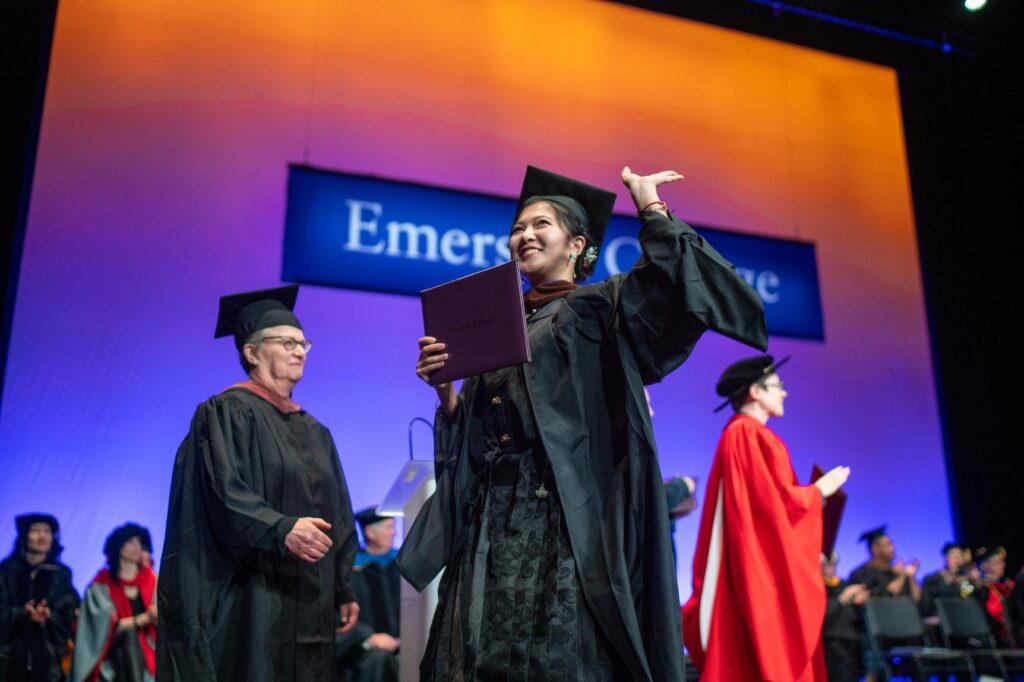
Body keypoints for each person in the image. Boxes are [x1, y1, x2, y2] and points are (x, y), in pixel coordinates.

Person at [401, 165, 768, 681]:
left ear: (576, 245)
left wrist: (651, 209)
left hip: (565, 520)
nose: (525, 235)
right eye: (518, 228)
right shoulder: (496, 329)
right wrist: (446, 392)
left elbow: (675, 289)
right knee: (480, 654)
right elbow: (478, 443)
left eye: (541, 224)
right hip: (491, 526)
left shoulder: (599, 307)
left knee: (559, 656)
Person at [157, 285, 359, 681]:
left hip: (311, 599)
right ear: (251, 353)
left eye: (303, 344)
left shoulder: (316, 431)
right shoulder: (227, 412)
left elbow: (339, 512)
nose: (300, 352)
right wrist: (280, 528)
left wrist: (343, 586)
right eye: (287, 343)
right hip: (251, 594)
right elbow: (221, 493)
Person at [681, 355, 850, 681]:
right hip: (754, 570)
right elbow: (772, 507)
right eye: (778, 386)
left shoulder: (738, 434)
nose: (784, 392)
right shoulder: (749, 434)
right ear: (755, 392)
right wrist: (818, 492)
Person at [71, 523, 158, 682]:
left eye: (138, 542)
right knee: (128, 638)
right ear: (118, 546)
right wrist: (144, 618)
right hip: (111, 654)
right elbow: (107, 626)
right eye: (130, 541)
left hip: (150, 647)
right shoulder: (100, 585)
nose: (136, 546)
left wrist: (153, 616)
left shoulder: (152, 580)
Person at [0, 513, 79, 682]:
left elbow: (69, 611)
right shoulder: (5, 571)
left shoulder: (61, 574)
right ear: (24, 536)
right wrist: (21, 612)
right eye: (36, 530)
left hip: (48, 658)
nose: (42, 536)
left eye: (47, 531)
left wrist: (49, 615)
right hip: (9, 656)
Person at [336, 507, 399, 682]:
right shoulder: (351, 569)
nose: (394, 533)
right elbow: (340, 612)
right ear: (370, 533)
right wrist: (368, 637)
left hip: (405, 643)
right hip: (364, 651)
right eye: (389, 527)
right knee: (378, 662)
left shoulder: (401, 564)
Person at [820, 552, 868, 682]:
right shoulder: (818, 587)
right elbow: (823, 618)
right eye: (826, 565)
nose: (830, 568)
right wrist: (842, 599)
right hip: (831, 642)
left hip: (853, 641)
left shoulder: (844, 585)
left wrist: (859, 602)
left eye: (832, 564)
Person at [848, 526, 921, 602]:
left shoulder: (895, 571)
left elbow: (917, 601)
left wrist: (911, 577)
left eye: (892, 543)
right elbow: (885, 597)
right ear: (875, 549)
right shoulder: (861, 574)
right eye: (888, 544)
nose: (893, 548)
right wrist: (901, 576)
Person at [919, 543, 978, 620]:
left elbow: (968, 598)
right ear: (946, 558)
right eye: (954, 557)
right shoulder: (932, 580)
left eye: (960, 557)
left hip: (963, 619)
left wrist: (974, 582)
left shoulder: (965, 581)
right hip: (941, 620)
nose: (957, 560)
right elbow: (926, 608)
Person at [972, 545, 1016, 647]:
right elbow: (996, 613)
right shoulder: (982, 590)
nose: (1003, 565)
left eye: (1002, 561)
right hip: (996, 637)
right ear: (985, 566)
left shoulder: (1005, 586)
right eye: (997, 562)